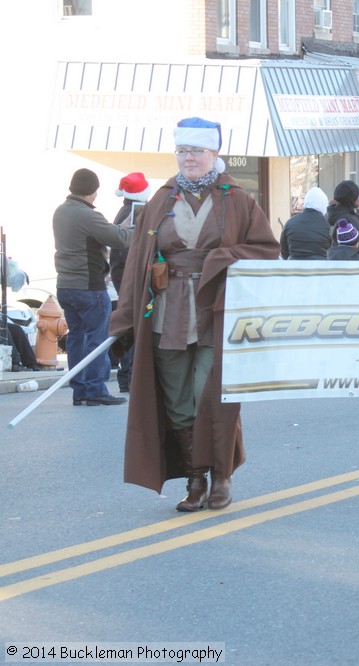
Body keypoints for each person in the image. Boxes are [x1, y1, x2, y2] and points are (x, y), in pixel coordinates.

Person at [109, 116, 279, 512]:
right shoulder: (161, 199)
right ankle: (194, 478)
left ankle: (221, 475)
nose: (189, 158)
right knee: (177, 402)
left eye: (197, 151)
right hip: (166, 314)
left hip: (216, 313)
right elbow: (138, 261)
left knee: (213, 396)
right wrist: (124, 320)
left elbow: (267, 251)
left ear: (214, 154)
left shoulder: (237, 199)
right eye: (183, 151)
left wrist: (222, 257)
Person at [53, 168, 132, 407]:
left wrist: (120, 228)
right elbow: (120, 239)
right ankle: (96, 388)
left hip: (65, 286)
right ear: (94, 191)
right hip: (89, 287)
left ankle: (80, 389)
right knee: (98, 338)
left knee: (77, 338)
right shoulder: (88, 215)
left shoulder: (61, 211)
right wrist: (140, 229)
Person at [109, 172, 150, 392]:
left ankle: (128, 376)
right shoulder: (134, 214)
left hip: (121, 276)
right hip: (129, 278)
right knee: (135, 327)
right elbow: (129, 250)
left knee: (130, 325)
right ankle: (130, 376)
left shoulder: (124, 212)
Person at [280, 187, 332, 260]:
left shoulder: (290, 223)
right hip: (320, 268)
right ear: (324, 204)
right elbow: (334, 250)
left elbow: (284, 251)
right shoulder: (328, 225)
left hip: (294, 267)